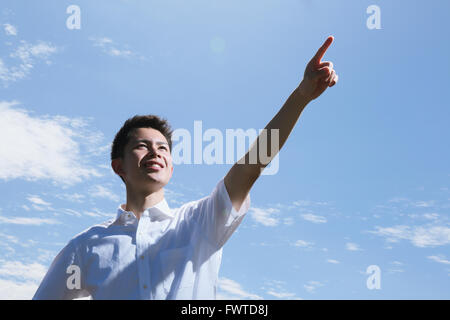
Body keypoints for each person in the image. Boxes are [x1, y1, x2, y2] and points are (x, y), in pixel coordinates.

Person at [33, 36, 338, 300]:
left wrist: (300, 98)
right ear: (118, 166)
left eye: (163, 148)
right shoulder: (86, 247)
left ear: (171, 165)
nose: (155, 151)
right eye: (142, 145)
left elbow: (252, 165)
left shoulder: (200, 223)